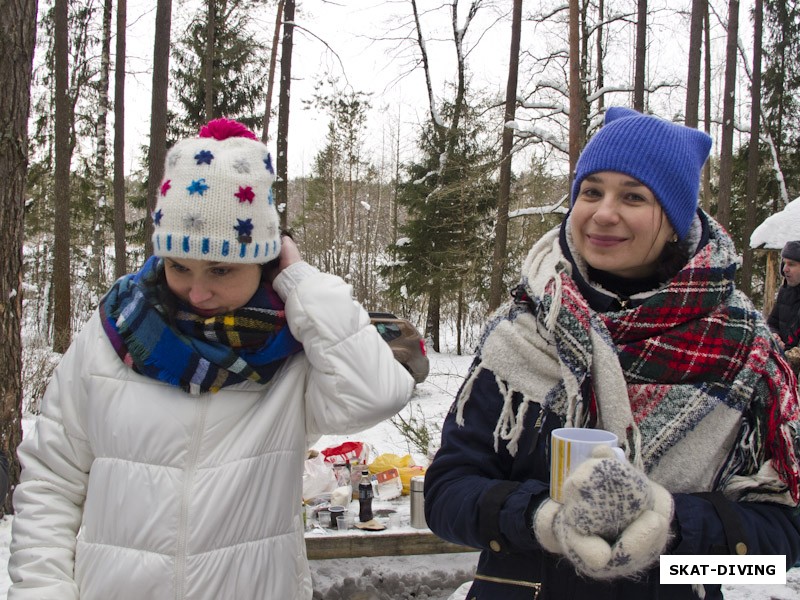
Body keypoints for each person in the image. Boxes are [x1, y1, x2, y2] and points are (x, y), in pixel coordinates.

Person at [8, 118, 415, 600]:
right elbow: (50, 485)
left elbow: (377, 393)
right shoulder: (113, 334)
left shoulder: (292, 354)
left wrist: (301, 281)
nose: (197, 292)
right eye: (178, 266)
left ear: (265, 261)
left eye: (221, 269)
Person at [424, 107, 800, 600]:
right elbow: (445, 495)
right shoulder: (522, 331)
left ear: (674, 221)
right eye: (591, 191)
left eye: (634, 197)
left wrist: (672, 530)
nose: (603, 212)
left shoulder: (743, 352)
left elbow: (780, 550)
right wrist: (541, 520)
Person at [768, 240, 800, 373]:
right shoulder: (785, 291)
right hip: (783, 368)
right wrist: (775, 336)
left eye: (791, 264)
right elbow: (771, 323)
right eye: (784, 263)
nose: (785, 269)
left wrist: (792, 353)